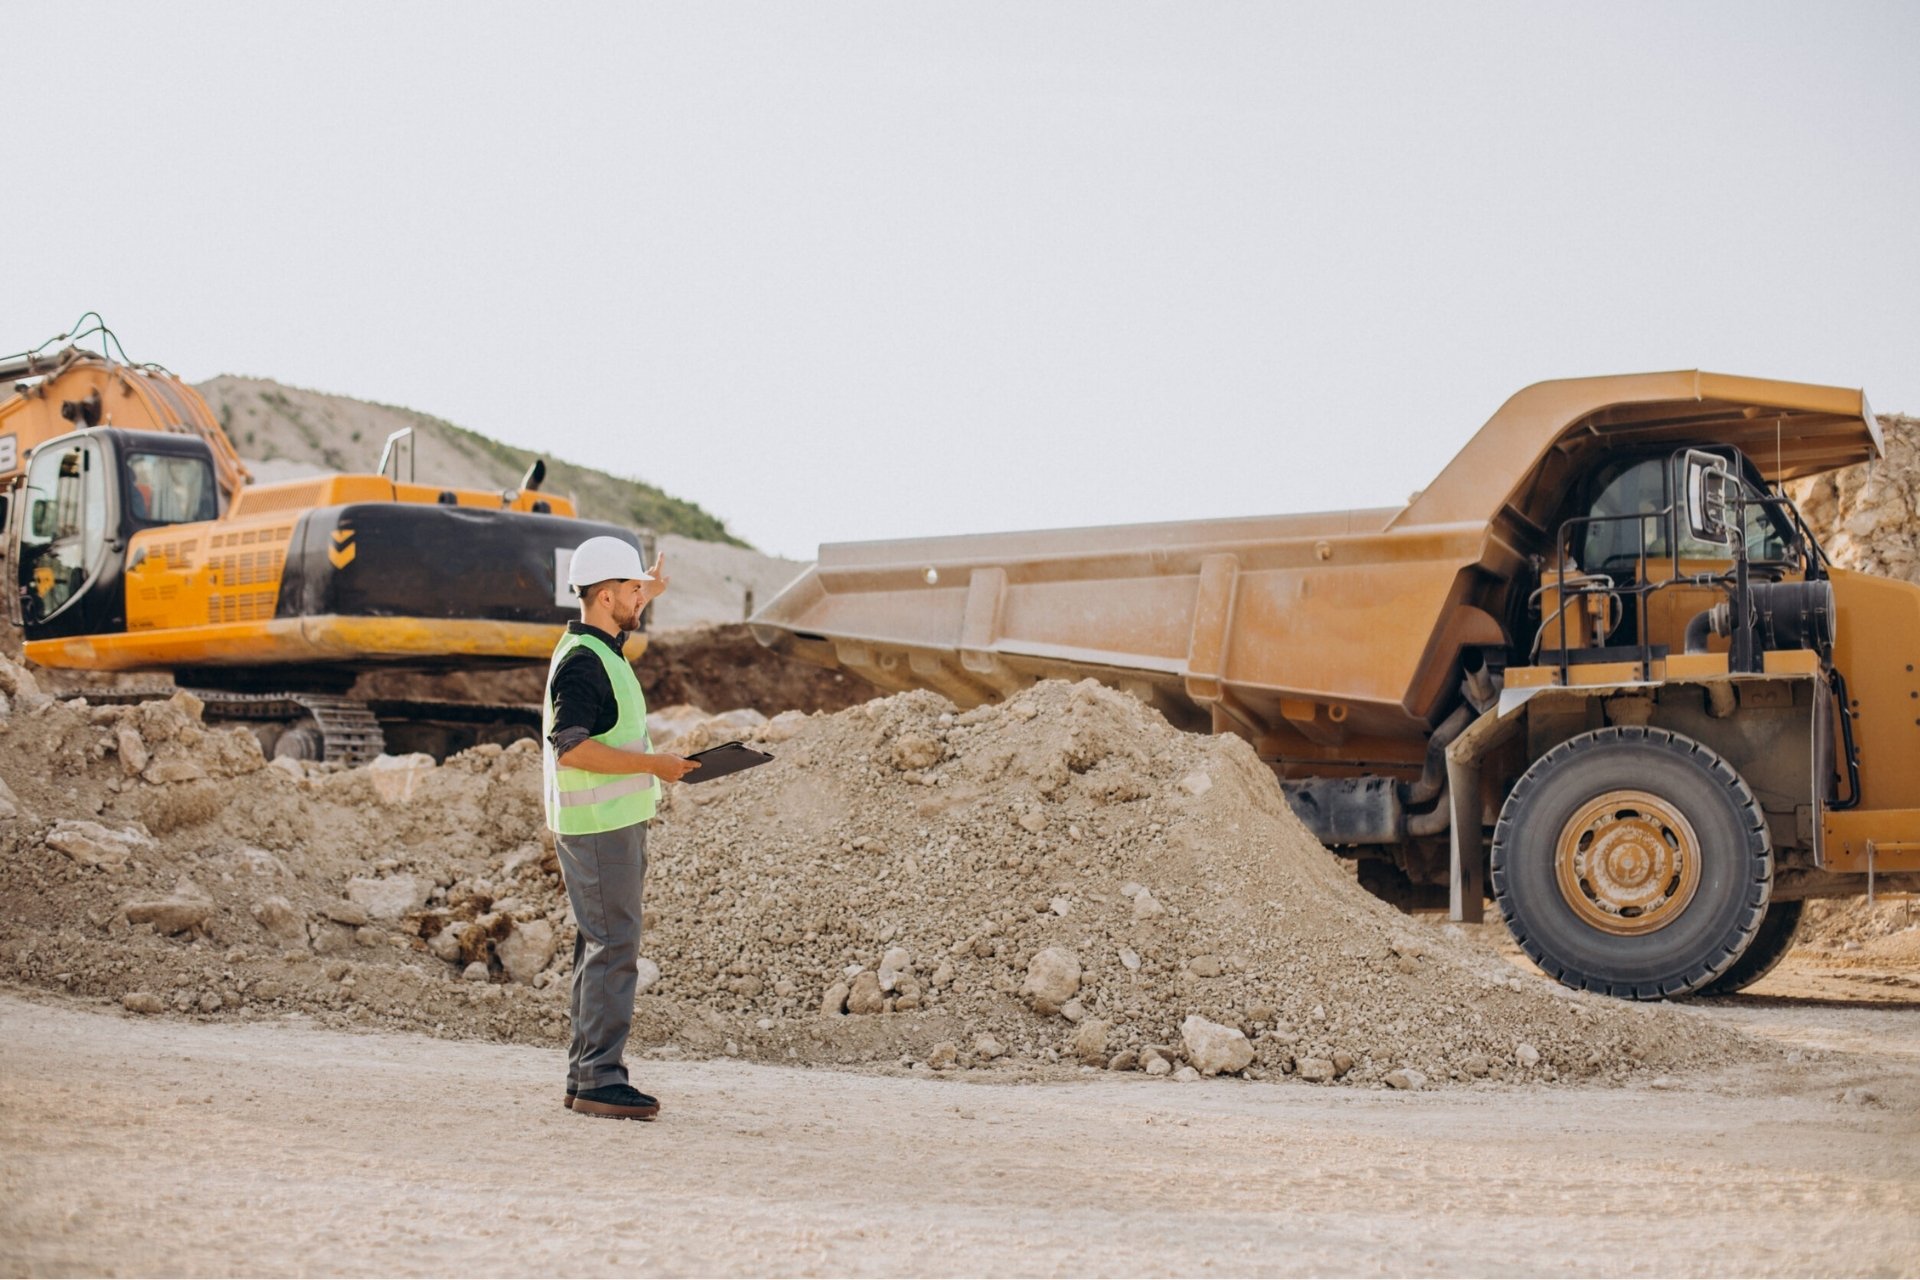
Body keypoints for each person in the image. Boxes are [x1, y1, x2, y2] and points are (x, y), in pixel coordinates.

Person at [544, 535, 699, 1120]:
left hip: (604, 822)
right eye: (633, 591)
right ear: (607, 595)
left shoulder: (596, 646)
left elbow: (618, 623)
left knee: (599, 947)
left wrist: (647, 588)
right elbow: (572, 749)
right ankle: (601, 1080)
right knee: (614, 950)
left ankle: (585, 1074)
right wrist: (654, 766)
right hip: (600, 826)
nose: (643, 599)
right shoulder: (586, 663)